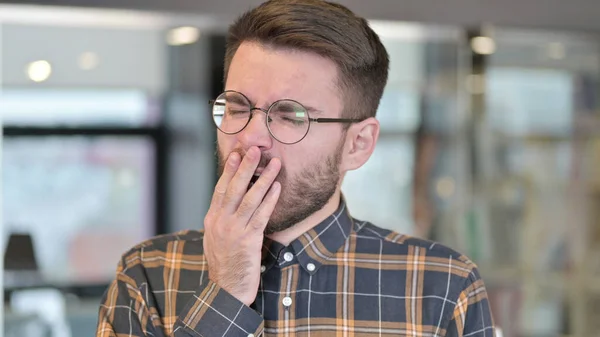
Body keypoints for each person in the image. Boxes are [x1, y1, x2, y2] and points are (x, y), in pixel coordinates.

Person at [96, 0, 495, 336]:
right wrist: (226, 294)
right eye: (237, 107)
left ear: (358, 144)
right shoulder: (146, 275)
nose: (251, 137)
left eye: (289, 116)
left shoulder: (443, 287)